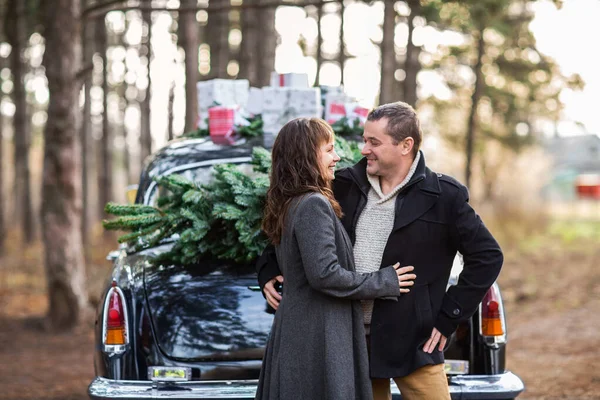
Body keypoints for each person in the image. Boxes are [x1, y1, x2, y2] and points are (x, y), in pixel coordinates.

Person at [257, 102, 504, 400]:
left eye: (374, 142)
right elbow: (296, 230)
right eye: (364, 140)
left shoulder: (443, 196)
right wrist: (269, 268)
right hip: (351, 343)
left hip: (413, 341)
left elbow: (488, 256)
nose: (363, 149)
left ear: (405, 145)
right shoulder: (341, 186)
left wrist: (448, 316)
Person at [255, 117, 417, 400]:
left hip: (304, 331)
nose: (337, 157)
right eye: (329, 150)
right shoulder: (312, 205)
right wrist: (384, 281)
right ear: (307, 155)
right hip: (317, 337)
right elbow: (325, 275)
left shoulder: (291, 201)